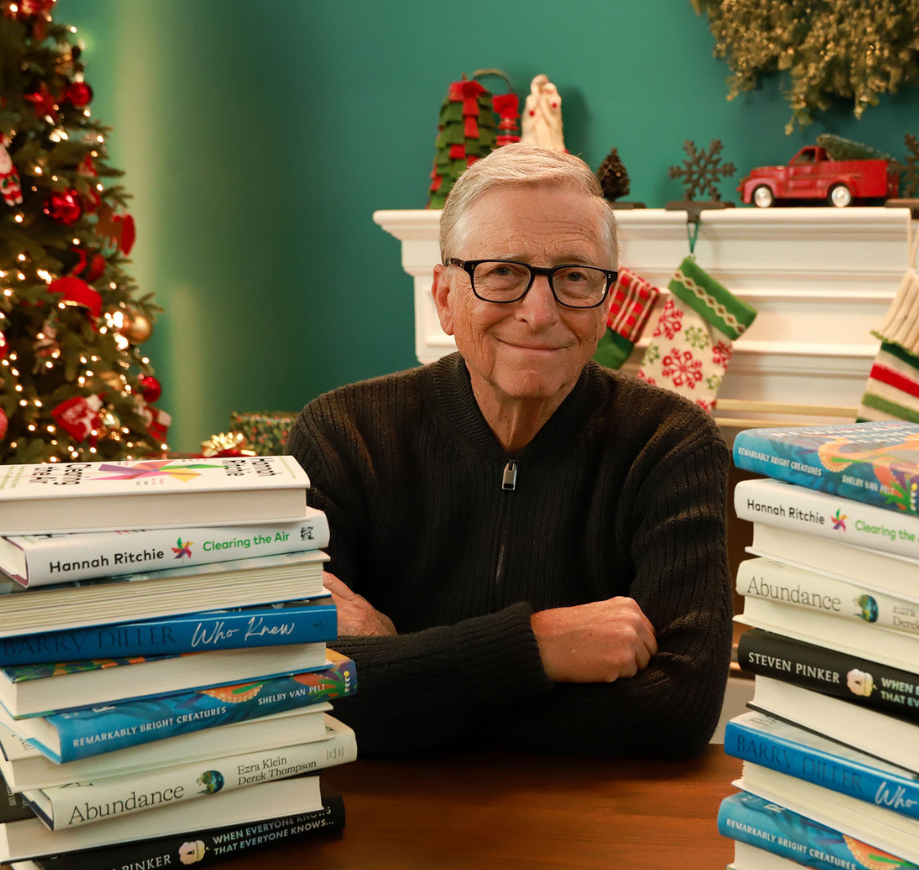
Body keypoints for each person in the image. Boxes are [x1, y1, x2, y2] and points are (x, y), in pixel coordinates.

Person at [287, 142, 731, 758]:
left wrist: (404, 670)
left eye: (575, 276)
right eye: (503, 273)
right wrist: (538, 646)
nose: (540, 312)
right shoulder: (343, 434)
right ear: (444, 298)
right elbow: (299, 686)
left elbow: (677, 711)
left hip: (594, 833)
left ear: (605, 304)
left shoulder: (671, 444)